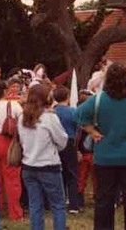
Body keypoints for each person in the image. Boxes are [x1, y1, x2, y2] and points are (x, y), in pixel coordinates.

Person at [77, 61, 126, 230]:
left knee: (104, 199)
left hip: (105, 156)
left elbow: (78, 115)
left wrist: (92, 130)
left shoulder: (97, 100)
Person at [19, 84, 68, 230]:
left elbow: (21, 141)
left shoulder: (23, 117)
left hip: (28, 165)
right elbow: (62, 141)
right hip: (48, 166)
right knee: (58, 205)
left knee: (35, 205)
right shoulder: (49, 117)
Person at [0, 80, 24, 221]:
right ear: (5, 91)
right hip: (6, 142)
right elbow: (23, 121)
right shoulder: (13, 105)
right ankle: (15, 213)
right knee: (12, 178)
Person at [53, 86, 80, 214]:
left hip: (55, 143)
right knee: (73, 173)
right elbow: (78, 127)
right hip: (70, 141)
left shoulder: (53, 111)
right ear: (68, 97)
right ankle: (74, 204)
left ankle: (61, 200)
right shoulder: (72, 111)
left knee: (60, 171)